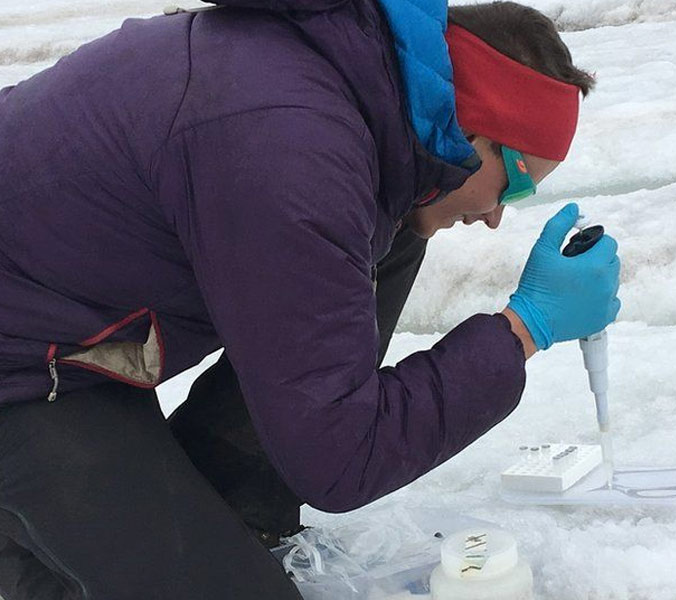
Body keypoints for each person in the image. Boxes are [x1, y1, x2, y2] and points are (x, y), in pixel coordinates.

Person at [0, 0, 621, 597]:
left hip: (51, 310)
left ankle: (236, 513)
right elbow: (343, 458)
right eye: (512, 185)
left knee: (399, 228)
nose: (493, 218)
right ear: (469, 127)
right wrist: (524, 329)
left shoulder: (345, 86)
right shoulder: (290, 152)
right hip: (21, 370)